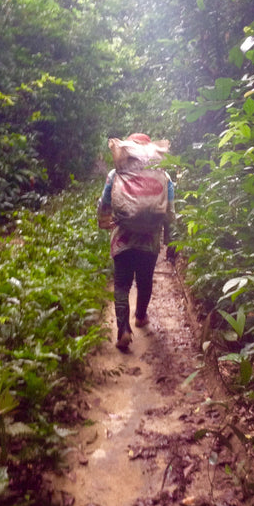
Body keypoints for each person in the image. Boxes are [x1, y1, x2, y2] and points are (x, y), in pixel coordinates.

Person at [97, 133, 175, 351]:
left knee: (122, 284)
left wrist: (104, 222)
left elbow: (105, 203)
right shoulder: (164, 176)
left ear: (129, 151)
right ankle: (140, 317)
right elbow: (170, 212)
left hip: (123, 239)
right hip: (149, 242)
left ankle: (123, 330)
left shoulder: (116, 174)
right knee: (144, 280)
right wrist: (170, 240)